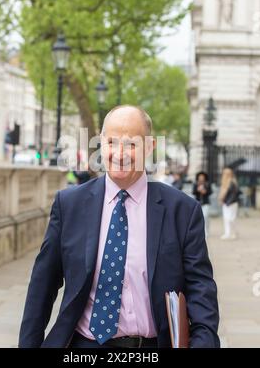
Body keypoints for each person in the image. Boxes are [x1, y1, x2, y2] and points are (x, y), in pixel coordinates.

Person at [19, 105, 220, 348]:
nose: (120, 153)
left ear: (150, 147)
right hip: (83, 345)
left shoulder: (183, 211)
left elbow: (201, 293)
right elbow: (43, 286)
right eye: (112, 142)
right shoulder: (69, 205)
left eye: (132, 144)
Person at [218, 168, 240, 240]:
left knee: (231, 218)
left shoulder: (232, 182)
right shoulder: (225, 182)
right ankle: (228, 233)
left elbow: (233, 194)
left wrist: (228, 202)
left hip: (231, 203)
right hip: (226, 203)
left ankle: (234, 232)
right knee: (226, 218)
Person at [192, 172, 212, 238]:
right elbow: (193, 192)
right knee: (199, 218)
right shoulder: (195, 184)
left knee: (205, 216)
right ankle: (201, 231)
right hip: (198, 203)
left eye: (202, 177)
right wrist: (198, 190)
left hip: (206, 203)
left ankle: (206, 231)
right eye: (200, 177)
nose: (201, 178)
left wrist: (204, 191)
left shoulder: (207, 184)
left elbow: (210, 192)